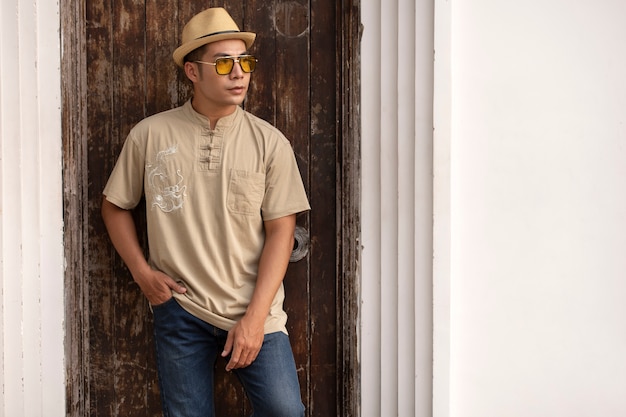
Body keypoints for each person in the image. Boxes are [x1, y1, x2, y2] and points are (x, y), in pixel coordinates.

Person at [101, 7, 310, 417]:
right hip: (181, 310)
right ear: (192, 72)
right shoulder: (150, 134)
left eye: (245, 62)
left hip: (256, 313)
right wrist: (143, 274)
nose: (239, 73)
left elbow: (282, 234)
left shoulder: (270, 143)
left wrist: (253, 319)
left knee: (286, 412)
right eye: (224, 63)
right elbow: (114, 207)